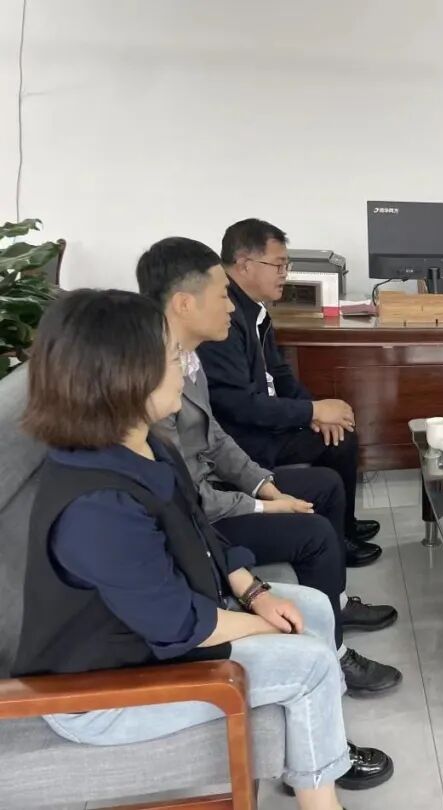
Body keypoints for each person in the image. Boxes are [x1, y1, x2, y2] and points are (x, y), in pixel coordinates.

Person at [14, 289, 393, 807]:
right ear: (124, 374)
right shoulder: (97, 507)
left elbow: (202, 533)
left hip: (163, 635)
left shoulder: (149, 446)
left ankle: (312, 759)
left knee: (314, 607)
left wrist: (256, 593)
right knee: (308, 661)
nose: (184, 368)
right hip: (107, 689)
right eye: (172, 357)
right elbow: (180, 625)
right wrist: (267, 627)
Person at [136, 237, 402, 696]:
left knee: (324, 484)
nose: (229, 306)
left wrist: (265, 487)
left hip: (216, 491)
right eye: (221, 295)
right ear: (184, 303)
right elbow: (186, 498)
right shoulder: (152, 378)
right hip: (204, 518)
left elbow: (216, 438)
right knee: (314, 534)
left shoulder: (187, 356)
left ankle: (335, 605)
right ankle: (334, 658)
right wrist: (261, 508)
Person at [196, 219, 379, 553]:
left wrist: (316, 414)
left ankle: (344, 527)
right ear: (245, 264)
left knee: (339, 433)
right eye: (279, 265)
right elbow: (239, 405)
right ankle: (339, 540)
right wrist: (311, 410)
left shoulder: (256, 310)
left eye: (286, 265)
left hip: (266, 421)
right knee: (339, 442)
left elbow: (280, 374)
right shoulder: (223, 318)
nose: (285, 274)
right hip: (245, 437)